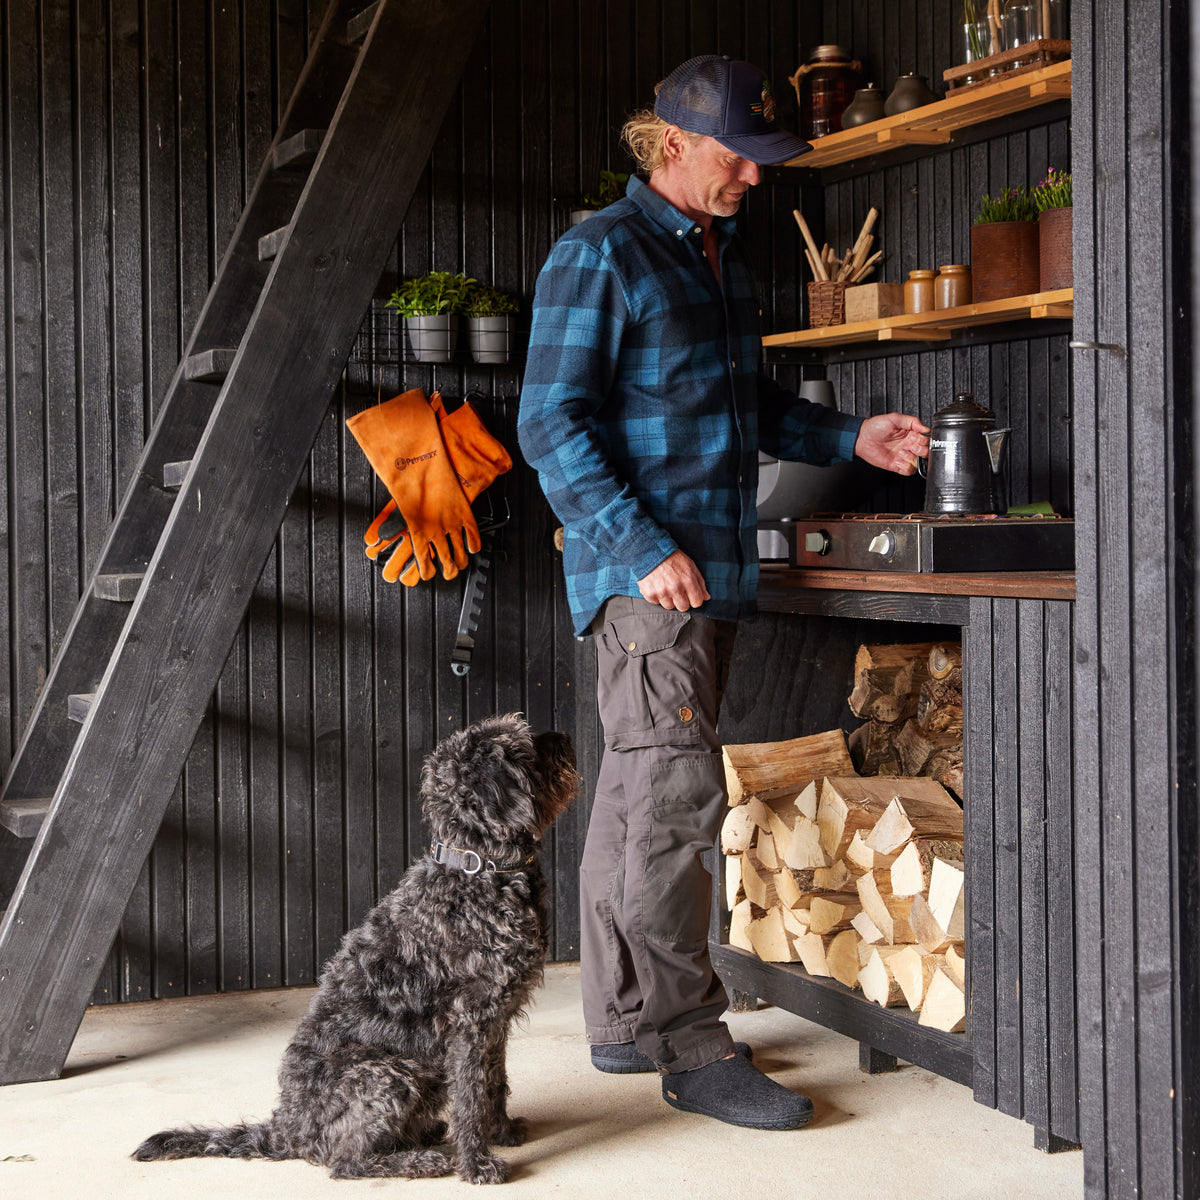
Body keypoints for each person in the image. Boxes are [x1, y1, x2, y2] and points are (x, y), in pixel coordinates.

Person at [517, 54, 929, 1131]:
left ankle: (619, 1015)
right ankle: (689, 1047)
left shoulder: (718, 259)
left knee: (636, 792)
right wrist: (642, 545)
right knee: (672, 804)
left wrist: (854, 438)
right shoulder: (598, 254)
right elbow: (551, 422)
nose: (757, 178)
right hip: (653, 575)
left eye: (763, 162)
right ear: (671, 143)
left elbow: (749, 407)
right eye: (741, 159)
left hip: (706, 569)